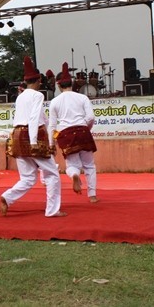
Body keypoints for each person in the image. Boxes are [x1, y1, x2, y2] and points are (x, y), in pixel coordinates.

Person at [0, 57, 66, 218]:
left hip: (16, 135)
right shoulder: (37, 95)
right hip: (31, 134)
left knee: (28, 177)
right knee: (52, 174)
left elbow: (39, 117)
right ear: (38, 80)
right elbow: (34, 119)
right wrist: (35, 141)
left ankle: (7, 197)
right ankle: (52, 210)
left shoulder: (21, 96)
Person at [48, 62, 99, 203]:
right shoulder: (82, 97)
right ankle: (92, 195)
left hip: (66, 134)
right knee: (89, 165)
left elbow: (52, 125)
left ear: (58, 86)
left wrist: (51, 144)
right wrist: (86, 129)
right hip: (82, 130)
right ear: (72, 83)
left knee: (71, 165)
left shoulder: (55, 101)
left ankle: (75, 175)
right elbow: (91, 117)